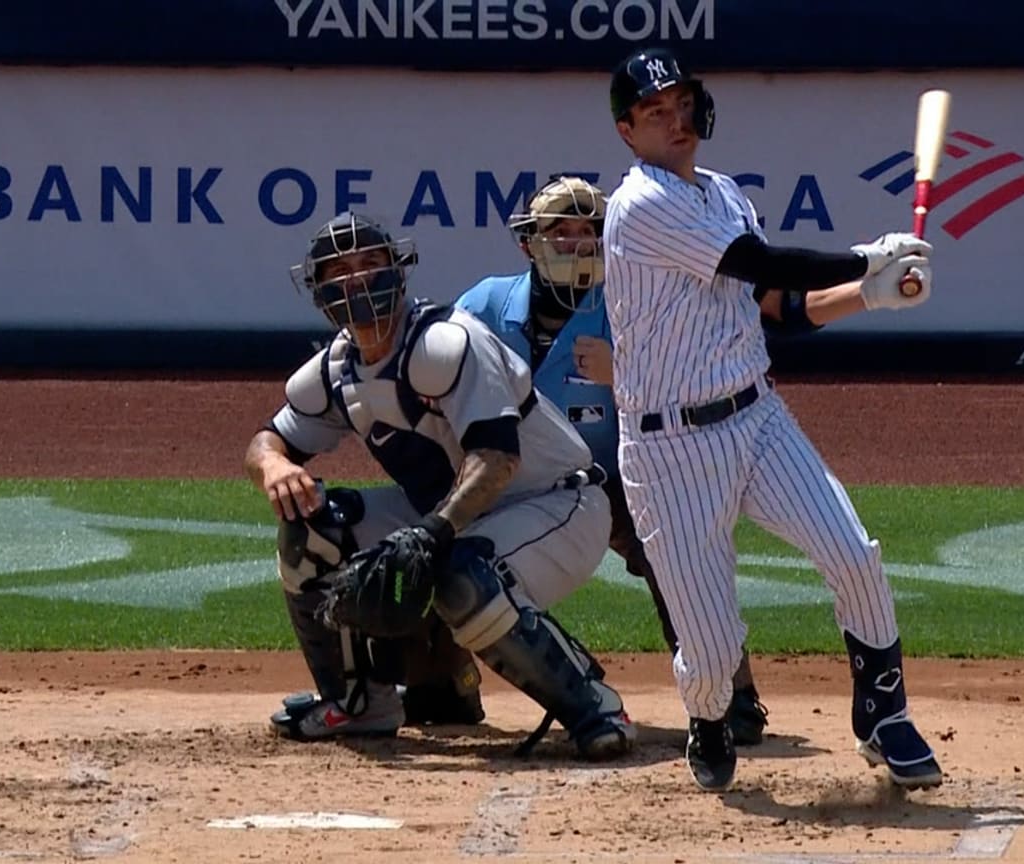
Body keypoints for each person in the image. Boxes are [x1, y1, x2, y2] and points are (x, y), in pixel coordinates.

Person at [601, 46, 942, 792]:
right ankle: (709, 717)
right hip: (670, 452)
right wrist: (865, 255)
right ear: (629, 131)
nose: (675, 121)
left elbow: (776, 310)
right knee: (714, 650)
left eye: (681, 104)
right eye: (655, 112)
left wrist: (872, 294)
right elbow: (764, 262)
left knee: (854, 551)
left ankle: (884, 716)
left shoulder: (721, 190)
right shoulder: (639, 204)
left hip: (758, 419)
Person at [243, 211, 636, 760]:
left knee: (462, 576)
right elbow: (268, 439)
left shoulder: (445, 346)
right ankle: (360, 702)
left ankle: (594, 705)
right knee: (312, 533)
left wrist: (431, 534)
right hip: (458, 515)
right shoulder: (334, 370)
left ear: (398, 272)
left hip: (557, 503)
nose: (356, 281)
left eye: (370, 264)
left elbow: (497, 459)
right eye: (341, 271)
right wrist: (275, 467)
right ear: (320, 291)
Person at [457, 175, 774, 746]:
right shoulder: (482, 306)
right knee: (435, 541)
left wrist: (624, 374)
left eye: (590, 232)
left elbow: (692, 383)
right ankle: (442, 681)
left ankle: (731, 693)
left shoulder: (636, 306)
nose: (577, 243)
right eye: (560, 231)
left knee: (678, 547)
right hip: (512, 481)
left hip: (620, 477)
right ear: (529, 242)